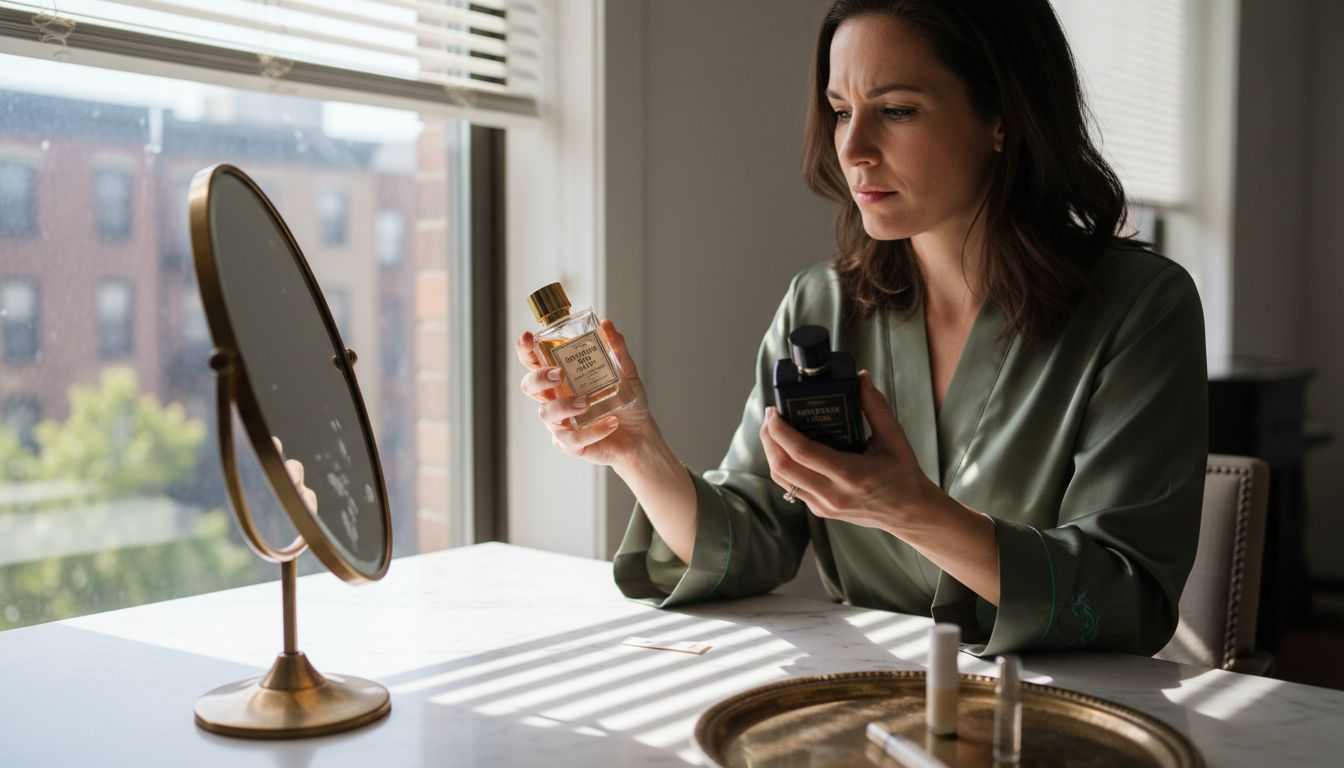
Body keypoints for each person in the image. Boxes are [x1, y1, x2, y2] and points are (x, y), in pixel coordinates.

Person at [515, 0, 1205, 657]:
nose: (855, 147)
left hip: (1049, 716)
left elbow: (1129, 600)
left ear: (1004, 116)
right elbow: (752, 538)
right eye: (841, 111)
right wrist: (638, 452)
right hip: (861, 702)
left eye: (897, 110)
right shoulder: (822, 305)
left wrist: (912, 511)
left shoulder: (1139, 307)